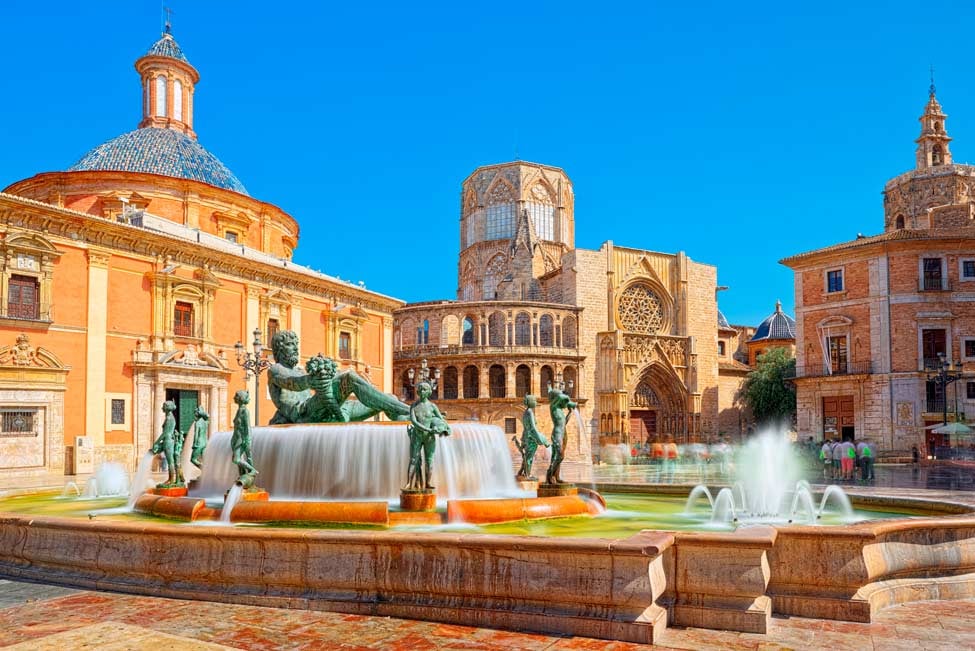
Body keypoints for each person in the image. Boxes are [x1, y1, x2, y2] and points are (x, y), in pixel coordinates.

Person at [267, 330, 410, 425]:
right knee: (348, 378)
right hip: (305, 413)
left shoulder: (299, 370)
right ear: (280, 348)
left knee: (391, 398)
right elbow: (292, 383)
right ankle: (409, 410)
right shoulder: (276, 369)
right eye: (290, 345)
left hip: (322, 409)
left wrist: (327, 376)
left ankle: (409, 422)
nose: (296, 348)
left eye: (296, 344)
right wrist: (312, 380)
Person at [405, 381, 451, 491]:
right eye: (420, 389)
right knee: (413, 460)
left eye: (424, 389)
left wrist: (441, 428)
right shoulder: (414, 406)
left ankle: (428, 483)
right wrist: (428, 429)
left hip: (429, 438)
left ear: (429, 392)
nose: (421, 391)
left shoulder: (432, 406)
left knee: (429, 461)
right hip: (417, 436)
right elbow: (414, 421)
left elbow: (440, 419)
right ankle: (408, 483)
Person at [513, 394, 549, 480]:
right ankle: (527, 476)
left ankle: (521, 472)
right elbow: (533, 428)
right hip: (531, 437)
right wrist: (540, 439)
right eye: (535, 401)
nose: (536, 402)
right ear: (531, 402)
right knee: (529, 457)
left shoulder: (526, 412)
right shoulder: (530, 412)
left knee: (526, 456)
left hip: (525, 436)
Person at [231, 390, 258, 489]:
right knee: (238, 461)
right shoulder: (239, 410)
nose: (234, 398)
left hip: (241, 439)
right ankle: (242, 477)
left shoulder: (245, 411)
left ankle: (253, 470)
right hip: (236, 439)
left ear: (240, 399)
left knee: (236, 460)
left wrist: (248, 440)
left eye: (236, 396)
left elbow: (248, 427)